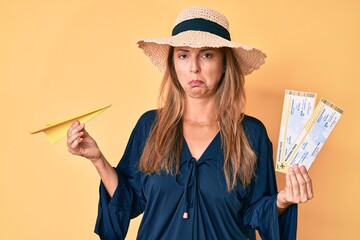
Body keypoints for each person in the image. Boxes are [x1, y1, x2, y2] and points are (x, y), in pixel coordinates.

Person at [67, 6, 313, 240]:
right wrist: (97, 159)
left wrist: (283, 200)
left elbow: (256, 212)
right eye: (183, 55)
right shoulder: (150, 126)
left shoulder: (251, 134)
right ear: (173, 65)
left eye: (207, 55)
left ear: (224, 63)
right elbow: (128, 200)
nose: (194, 68)